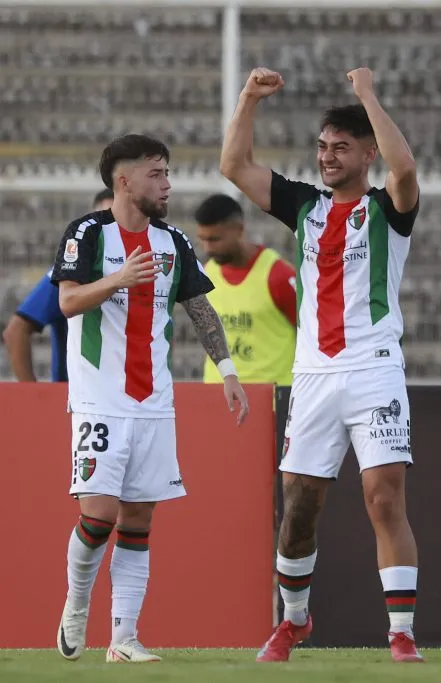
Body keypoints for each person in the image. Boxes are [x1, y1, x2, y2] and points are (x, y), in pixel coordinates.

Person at [220, 66, 423, 663]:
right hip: (313, 376)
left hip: (374, 368)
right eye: (322, 147)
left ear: (367, 153)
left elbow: (405, 168)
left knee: (384, 498)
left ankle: (402, 633)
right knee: (301, 506)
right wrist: (248, 99)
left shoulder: (391, 210)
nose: (327, 157)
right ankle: (295, 621)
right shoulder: (305, 207)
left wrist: (367, 95)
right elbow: (234, 166)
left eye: (341, 148)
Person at [52, 134, 249, 664]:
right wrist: (118, 277)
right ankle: (75, 604)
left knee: (138, 520)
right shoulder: (88, 233)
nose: (167, 184)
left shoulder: (174, 242)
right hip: (100, 400)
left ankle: (123, 638)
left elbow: (201, 310)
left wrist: (227, 369)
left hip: (154, 403)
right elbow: (68, 301)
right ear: (125, 180)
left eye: (166, 173)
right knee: (98, 518)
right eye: (157, 173)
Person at [3, 190, 113, 381]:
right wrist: (34, 399)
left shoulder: (142, 267)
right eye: (101, 220)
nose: (108, 229)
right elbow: (16, 331)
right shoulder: (72, 271)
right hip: (78, 401)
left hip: (129, 399)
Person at [193, 193, 297, 386]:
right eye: (203, 239)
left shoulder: (278, 276)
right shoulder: (207, 273)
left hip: (271, 400)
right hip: (219, 395)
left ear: (239, 230)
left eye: (215, 239)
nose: (207, 248)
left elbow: (310, 334)